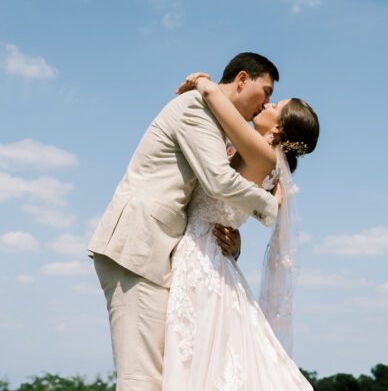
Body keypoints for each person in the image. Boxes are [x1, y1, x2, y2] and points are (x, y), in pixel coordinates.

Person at [88, 53, 282, 391]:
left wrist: (233, 242)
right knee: (141, 376)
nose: (266, 102)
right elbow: (218, 180)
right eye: (264, 91)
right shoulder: (196, 108)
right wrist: (272, 208)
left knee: (163, 376)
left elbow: (208, 204)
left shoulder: (217, 122)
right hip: (137, 245)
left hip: (161, 249)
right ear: (241, 79)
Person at [163, 73, 319, 390]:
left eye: (276, 104)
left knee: (194, 356)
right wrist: (235, 242)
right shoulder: (267, 164)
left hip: (201, 256)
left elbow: (224, 109)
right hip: (213, 256)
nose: (267, 103)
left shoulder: (260, 155)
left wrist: (205, 84)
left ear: (278, 129)